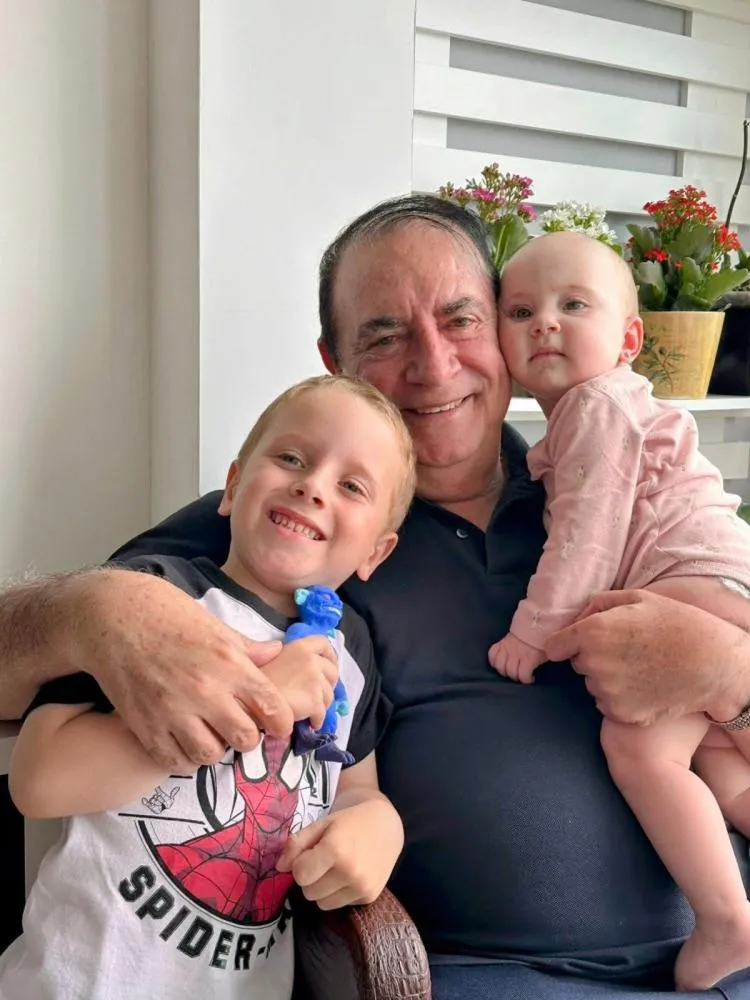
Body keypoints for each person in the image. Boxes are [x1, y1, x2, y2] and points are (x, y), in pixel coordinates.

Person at [3, 196, 750, 999]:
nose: (433, 364)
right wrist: (92, 611)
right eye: (385, 335)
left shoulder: (615, 491)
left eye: (461, 320)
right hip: (485, 977)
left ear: (505, 331)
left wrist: (729, 674)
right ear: (335, 361)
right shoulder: (303, 530)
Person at [0, 374, 413, 1000]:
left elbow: (354, 787)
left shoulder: (351, 652)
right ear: (234, 486)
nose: (312, 485)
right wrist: (261, 698)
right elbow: (40, 780)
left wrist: (382, 826)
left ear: (375, 554)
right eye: (291, 457)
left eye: (352, 486)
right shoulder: (155, 600)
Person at [489, 231, 750, 991]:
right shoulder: (599, 411)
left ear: (628, 340)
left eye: (574, 305)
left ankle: (728, 921)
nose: (545, 322)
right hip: (718, 577)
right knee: (717, 762)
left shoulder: (596, 406)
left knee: (639, 750)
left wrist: (534, 632)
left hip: (688, 578)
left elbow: (588, 537)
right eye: (520, 311)